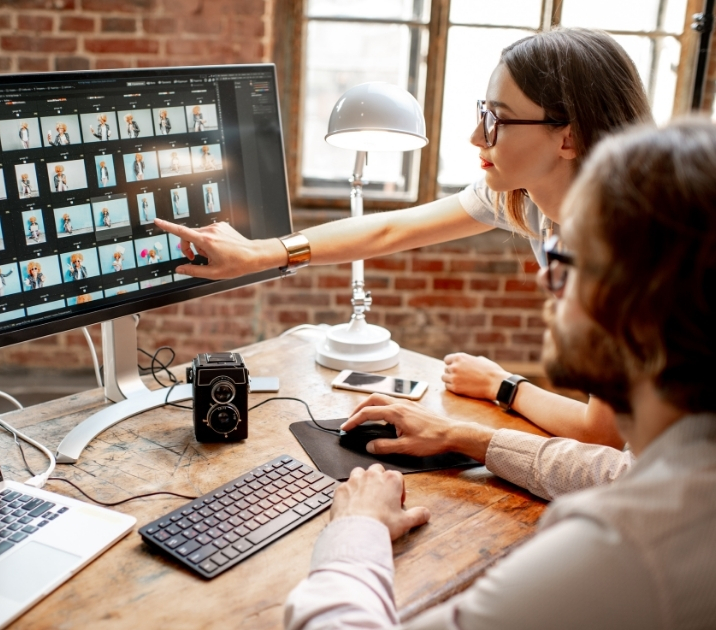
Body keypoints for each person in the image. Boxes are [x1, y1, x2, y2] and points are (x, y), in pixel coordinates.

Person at [284, 118, 716, 630]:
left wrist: (356, 530)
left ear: (641, 304)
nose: (544, 276)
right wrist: (465, 437)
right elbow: (615, 470)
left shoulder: (628, 548)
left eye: (567, 257)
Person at [156, 28, 651, 449]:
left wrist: (504, 386)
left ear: (568, 138)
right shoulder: (526, 197)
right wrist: (261, 253)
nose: (477, 136)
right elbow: (393, 227)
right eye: (484, 111)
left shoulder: (626, 247)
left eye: (498, 119)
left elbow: (602, 435)